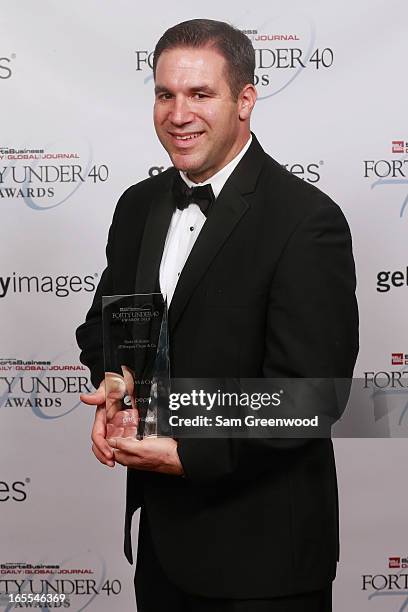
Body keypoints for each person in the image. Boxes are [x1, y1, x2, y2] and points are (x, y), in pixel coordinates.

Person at [76, 18, 359, 612]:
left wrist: (186, 452)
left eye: (201, 94)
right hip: (160, 547)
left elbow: (309, 395)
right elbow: (104, 327)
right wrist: (118, 379)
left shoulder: (306, 221)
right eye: (165, 94)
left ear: (246, 99)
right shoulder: (137, 206)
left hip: (264, 563)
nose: (179, 114)